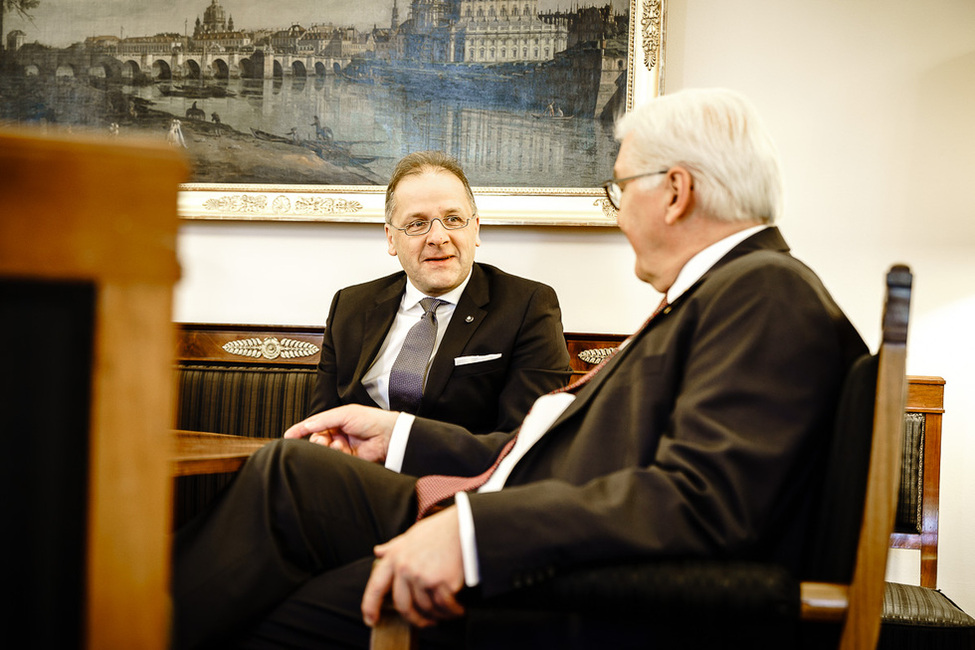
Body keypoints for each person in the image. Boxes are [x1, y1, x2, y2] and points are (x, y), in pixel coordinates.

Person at [172, 88, 868, 649]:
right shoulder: (727, 292)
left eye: (619, 186)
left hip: (554, 581)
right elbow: (570, 448)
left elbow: (701, 501)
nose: (619, 210)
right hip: (509, 504)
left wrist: (473, 533)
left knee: (265, 620)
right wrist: (399, 436)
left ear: (675, 191)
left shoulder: (761, 292)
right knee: (288, 470)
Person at [307, 150, 573, 434]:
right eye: (417, 224)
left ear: (476, 229)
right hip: (353, 473)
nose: (438, 237)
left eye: (454, 219)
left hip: (460, 477)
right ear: (391, 238)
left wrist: (399, 447)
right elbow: (321, 423)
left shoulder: (527, 307)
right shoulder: (350, 307)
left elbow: (522, 441)